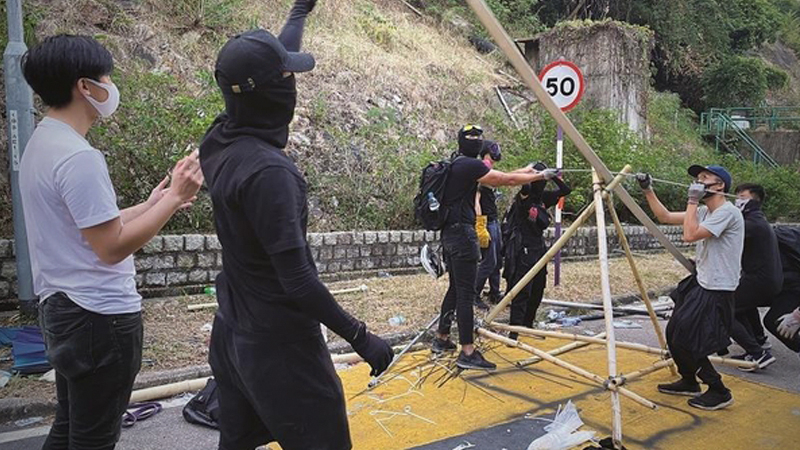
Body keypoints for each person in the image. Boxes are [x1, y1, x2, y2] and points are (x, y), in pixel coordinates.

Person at [198, 2, 394, 449]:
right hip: (281, 349)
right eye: (287, 79)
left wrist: (299, 14)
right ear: (272, 92)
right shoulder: (270, 174)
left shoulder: (220, 138)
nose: (293, 86)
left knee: (236, 442)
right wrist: (361, 338)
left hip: (232, 333)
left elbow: (268, 67)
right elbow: (298, 280)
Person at [19, 35, 203, 449]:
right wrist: (174, 198)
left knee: (69, 427)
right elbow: (111, 247)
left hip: (64, 310)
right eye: (106, 78)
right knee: (93, 439)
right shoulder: (79, 158)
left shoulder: (43, 144)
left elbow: (91, 226)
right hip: (99, 319)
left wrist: (153, 204)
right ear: (85, 87)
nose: (110, 86)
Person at [432, 125, 559, 370]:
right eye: (472, 137)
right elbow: (505, 180)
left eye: (478, 137)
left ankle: (442, 337)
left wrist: (527, 171)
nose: (476, 140)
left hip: (450, 233)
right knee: (465, 293)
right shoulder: (470, 164)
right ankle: (467, 351)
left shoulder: (458, 163)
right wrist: (540, 177)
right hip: (463, 235)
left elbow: (500, 175)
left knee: (456, 288)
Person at [637, 165, 743, 411]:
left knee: (688, 338)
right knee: (675, 333)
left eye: (705, 178)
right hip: (702, 280)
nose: (698, 181)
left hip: (717, 287)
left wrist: (692, 201)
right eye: (697, 178)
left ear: (720, 186)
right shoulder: (706, 211)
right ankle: (688, 380)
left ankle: (718, 390)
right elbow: (664, 217)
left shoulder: (728, 212)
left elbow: (690, 235)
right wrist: (647, 190)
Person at [502, 162, 571, 341]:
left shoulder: (543, 198)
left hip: (538, 249)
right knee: (522, 290)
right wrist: (531, 173)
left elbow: (565, 190)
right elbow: (523, 185)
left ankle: (528, 324)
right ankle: (514, 331)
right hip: (522, 249)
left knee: (538, 288)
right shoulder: (524, 197)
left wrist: (554, 176)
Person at [727, 184, 780, 370]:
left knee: (723, 309)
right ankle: (759, 340)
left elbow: (724, 239)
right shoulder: (756, 219)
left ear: (754, 200)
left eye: (742, 197)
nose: (737, 201)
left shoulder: (752, 223)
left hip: (759, 280)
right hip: (766, 280)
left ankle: (757, 354)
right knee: (742, 304)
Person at [474, 140, 504, 310]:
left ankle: (494, 292)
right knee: (489, 261)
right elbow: (476, 200)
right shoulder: (480, 171)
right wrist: (480, 224)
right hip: (486, 222)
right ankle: (474, 294)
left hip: (493, 220)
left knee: (497, 260)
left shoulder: (488, 171)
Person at [763, 226, 800, 356]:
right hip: (788, 284)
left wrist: (797, 316)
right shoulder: (771, 235)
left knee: (776, 322)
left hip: (794, 286)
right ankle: (757, 343)